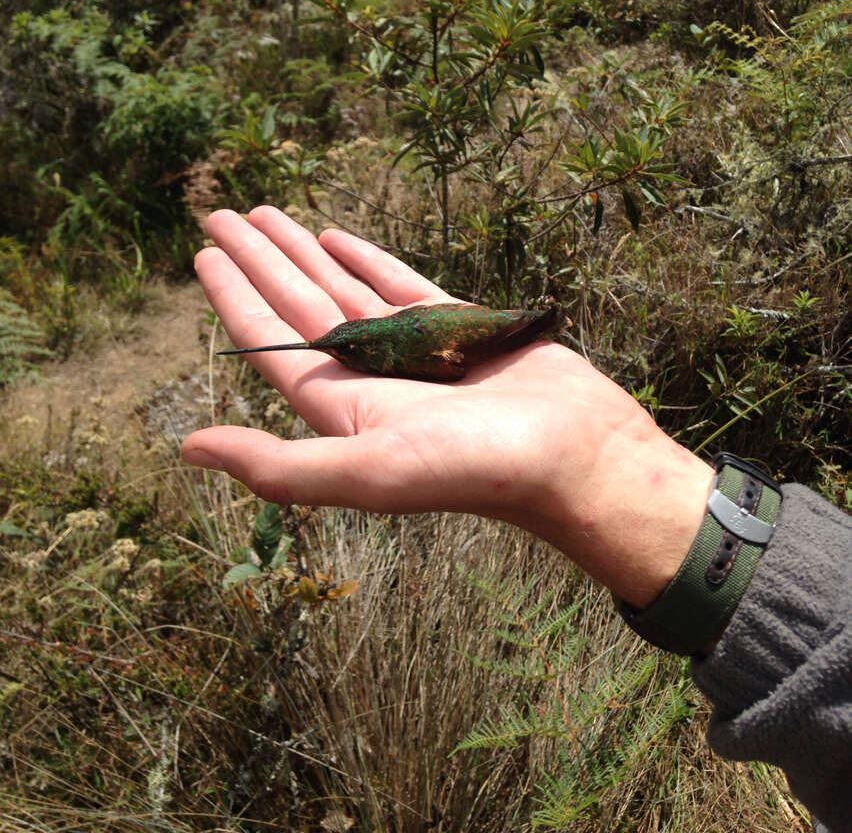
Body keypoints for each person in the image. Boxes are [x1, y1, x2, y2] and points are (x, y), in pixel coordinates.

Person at [182, 206, 851, 833]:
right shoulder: (371, 344)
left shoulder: (385, 352)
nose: (340, 353)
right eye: (343, 351)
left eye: (345, 351)